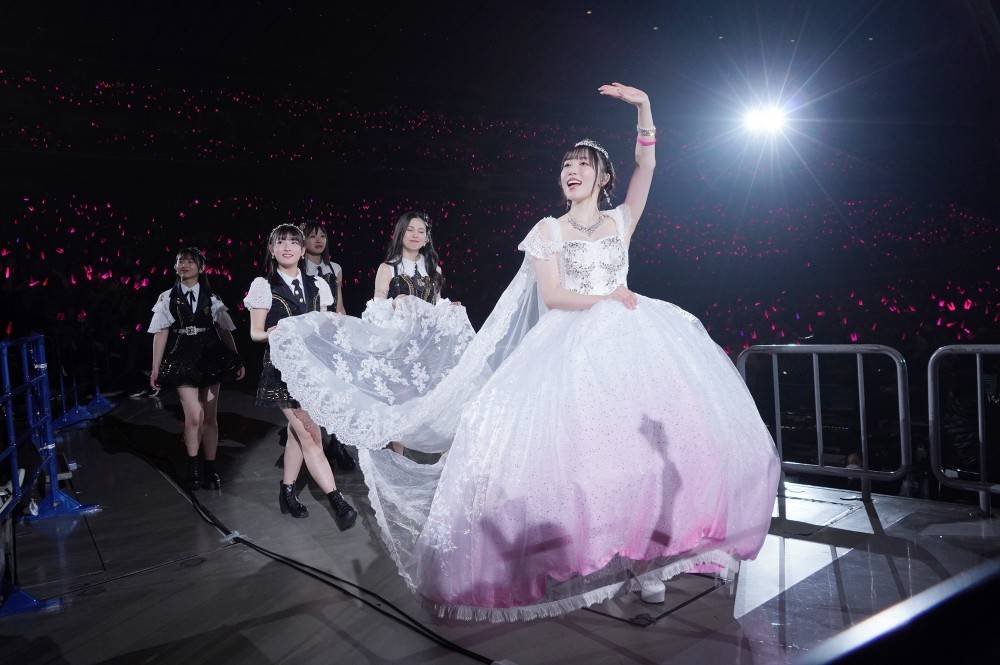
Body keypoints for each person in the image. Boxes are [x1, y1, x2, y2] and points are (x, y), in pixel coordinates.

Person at [270, 83, 779, 621]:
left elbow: (647, 166)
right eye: (566, 165)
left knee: (647, 459)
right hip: (573, 347)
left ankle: (647, 562)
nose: (572, 171)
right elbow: (555, 296)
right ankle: (593, 551)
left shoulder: (622, 219)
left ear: (603, 177)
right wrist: (608, 297)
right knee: (585, 463)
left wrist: (645, 107)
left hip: (634, 345)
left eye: (583, 164)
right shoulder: (548, 230)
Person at [244, 224, 357, 531]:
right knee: (311, 433)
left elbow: (324, 327)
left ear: (303, 250)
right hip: (282, 371)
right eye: (280, 243)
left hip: (313, 369)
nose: (287, 247)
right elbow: (254, 333)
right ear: (272, 250)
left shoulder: (318, 284)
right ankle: (337, 501)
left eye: (294, 242)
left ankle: (287, 491)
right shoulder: (263, 285)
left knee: (299, 434)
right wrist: (272, 333)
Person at [149, 247, 244, 491]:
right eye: (181, 261)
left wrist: (236, 359)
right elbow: (161, 333)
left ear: (201, 267)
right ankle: (193, 467)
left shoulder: (212, 297)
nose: (185, 265)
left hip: (211, 354)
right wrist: (155, 368)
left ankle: (210, 467)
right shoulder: (166, 297)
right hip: (182, 355)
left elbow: (224, 330)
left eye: (191, 261)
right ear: (175, 267)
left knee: (210, 416)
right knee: (194, 415)